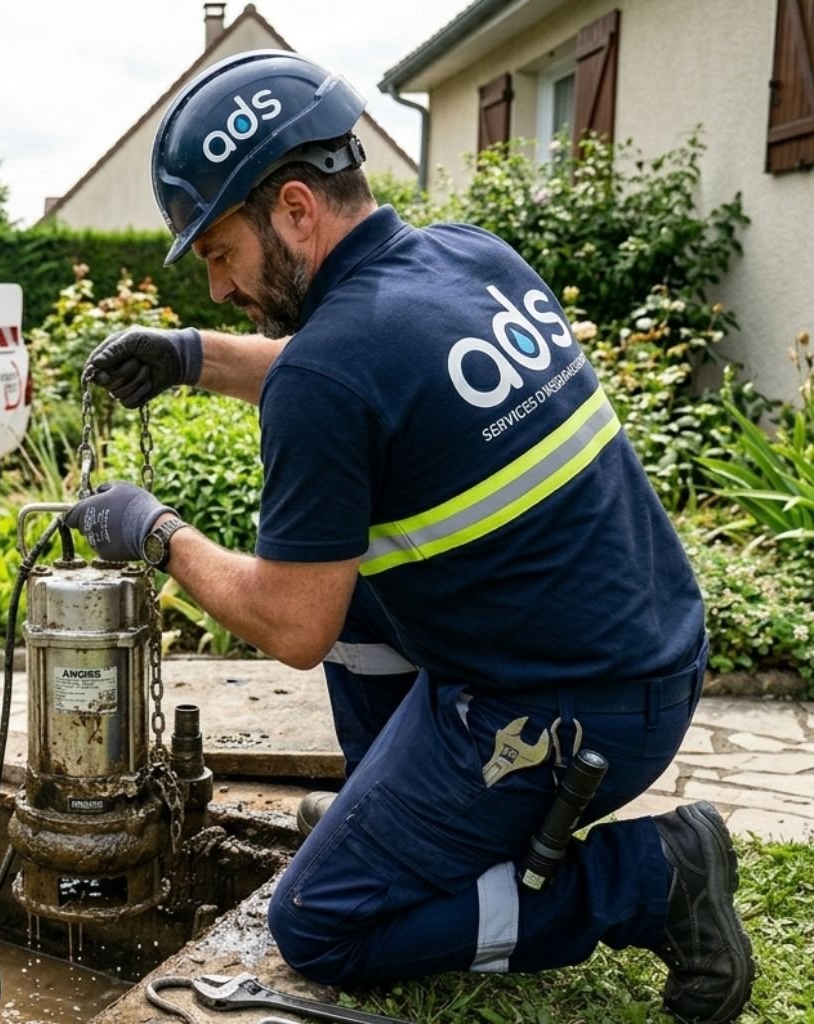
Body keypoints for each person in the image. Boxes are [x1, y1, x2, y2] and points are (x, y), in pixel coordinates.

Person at [67, 49, 754, 1024]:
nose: (218, 289)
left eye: (220, 252)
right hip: (652, 657)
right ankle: (402, 818)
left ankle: (653, 880)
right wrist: (189, 359)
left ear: (296, 211)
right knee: (365, 580)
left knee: (323, 928)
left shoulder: (329, 375)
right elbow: (370, 373)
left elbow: (293, 622)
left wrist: (151, 529)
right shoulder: (472, 256)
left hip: (565, 716)